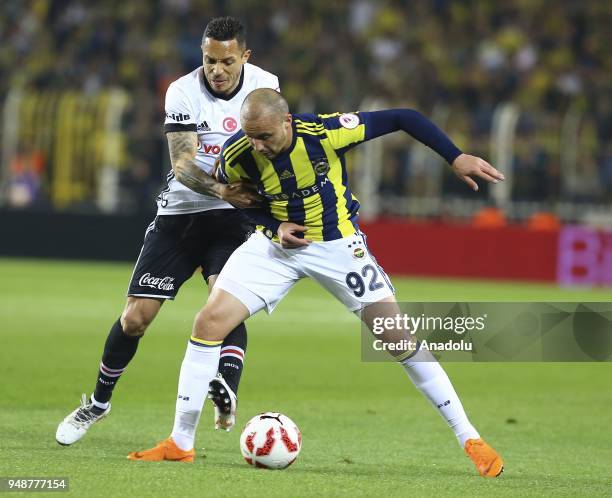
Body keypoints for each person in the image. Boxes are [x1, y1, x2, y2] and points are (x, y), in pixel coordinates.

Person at [127, 89, 506, 478]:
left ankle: (470, 438)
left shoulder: (324, 133)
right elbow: (241, 203)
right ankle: (180, 442)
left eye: (265, 136)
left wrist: (455, 156)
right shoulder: (238, 152)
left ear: (286, 122)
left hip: (337, 246)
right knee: (208, 323)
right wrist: (274, 226)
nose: (257, 145)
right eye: (250, 135)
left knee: (398, 338)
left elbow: (404, 117)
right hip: (274, 247)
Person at [56, 17, 278, 445]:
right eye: (210, 60)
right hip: (181, 214)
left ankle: (226, 388)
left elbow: (270, 150)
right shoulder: (182, 90)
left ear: (245, 57)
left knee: (224, 298)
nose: (217, 69)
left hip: (234, 218)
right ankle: (98, 404)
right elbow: (182, 164)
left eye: (227, 61)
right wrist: (223, 189)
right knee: (136, 318)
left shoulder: (266, 86)